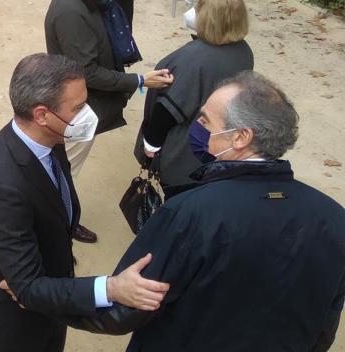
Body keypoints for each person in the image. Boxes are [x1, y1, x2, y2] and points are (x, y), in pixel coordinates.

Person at [43, 72, 345, 352]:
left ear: (241, 137)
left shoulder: (190, 213)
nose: (195, 129)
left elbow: (123, 310)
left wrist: (41, 296)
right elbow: (324, 327)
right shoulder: (335, 218)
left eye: (205, 122)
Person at [0, 53, 171, 352]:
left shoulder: (50, 139)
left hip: (53, 303)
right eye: (77, 108)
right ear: (41, 114)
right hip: (18, 325)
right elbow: (26, 288)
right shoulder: (3, 185)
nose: (87, 114)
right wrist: (112, 288)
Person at [44, 0, 173, 243]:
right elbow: (87, 72)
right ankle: (56, 225)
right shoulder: (71, 10)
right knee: (63, 172)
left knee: (64, 169)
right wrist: (139, 80)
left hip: (85, 103)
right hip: (76, 109)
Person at [135, 0, 253, 198]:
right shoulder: (244, 51)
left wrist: (150, 145)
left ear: (210, 20)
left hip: (185, 159)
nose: (192, 13)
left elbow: (167, 112)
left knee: (180, 206)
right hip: (219, 149)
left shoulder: (194, 60)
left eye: (199, 9)